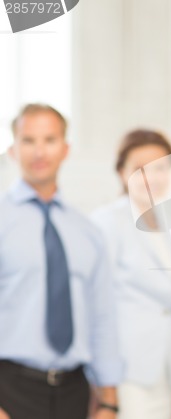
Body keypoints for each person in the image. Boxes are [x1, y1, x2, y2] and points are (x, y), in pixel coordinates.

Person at [0, 104, 121, 419]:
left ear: (65, 149)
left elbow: (102, 316)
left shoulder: (87, 231)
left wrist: (109, 399)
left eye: (49, 139)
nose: (39, 151)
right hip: (9, 388)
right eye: (28, 140)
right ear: (13, 149)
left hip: (75, 392)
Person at [91, 130, 171, 419]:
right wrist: (105, 390)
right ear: (122, 173)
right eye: (139, 169)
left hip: (163, 374)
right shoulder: (107, 222)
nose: (151, 177)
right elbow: (96, 309)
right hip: (125, 375)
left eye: (160, 167)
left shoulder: (165, 226)